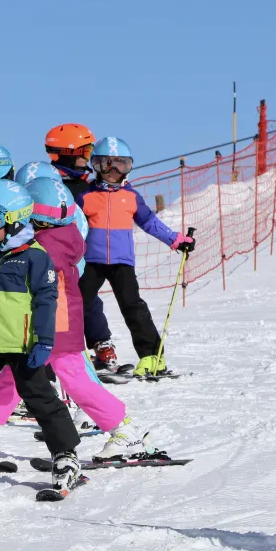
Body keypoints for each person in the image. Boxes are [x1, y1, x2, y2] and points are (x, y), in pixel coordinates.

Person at [0, 177, 163, 460]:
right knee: (20, 380)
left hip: (52, 327)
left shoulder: (43, 244)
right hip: (58, 325)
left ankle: (126, 433)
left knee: (62, 382)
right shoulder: (65, 236)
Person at [0, 179, 82, 491]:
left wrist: (44, 340)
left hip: (22, 345)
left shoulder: (35, 256)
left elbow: (46, 300)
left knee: (40, 399)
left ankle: (66, 455)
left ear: (15, 220)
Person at [77, 137, 195, 378]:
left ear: (128, 167)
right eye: (105, 164)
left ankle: (152, 357)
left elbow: (149, 222)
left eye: (120, 164)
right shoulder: (85, 196)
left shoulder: (131, 197)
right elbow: (71, 226)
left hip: (122, 262)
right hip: (91, 261)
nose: (112, 171)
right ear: (95, 166)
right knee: (77, 304)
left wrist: (175, 240)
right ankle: (74, 355)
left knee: (133, 306)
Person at [44, 124, 116, 371]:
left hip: (81, 258)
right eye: (86, 151)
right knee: (62, 305)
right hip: (54, 258)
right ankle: (65, 351)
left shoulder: (87, 185)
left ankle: (102, 345)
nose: (89, 157)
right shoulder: (50, 185)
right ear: (69, 152)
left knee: (90, 299)